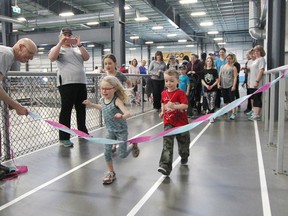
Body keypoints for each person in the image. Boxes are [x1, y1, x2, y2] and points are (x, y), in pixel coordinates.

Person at [83, 76, 140, 184]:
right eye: (102, 88)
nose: (104, 91)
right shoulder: (103, 100)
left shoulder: (117, 101)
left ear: (114, 89)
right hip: (110, 130)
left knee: (122, 155)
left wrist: (122, 116)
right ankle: (111, 172)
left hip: (121, 130)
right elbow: (102, 107)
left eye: (107, 88)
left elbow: (128, 113)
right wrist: (91, 104)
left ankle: (133, 145)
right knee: (107, 152)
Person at [0, 38, 37, 179]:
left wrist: (10, 103)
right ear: (20, 47)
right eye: (30, 53)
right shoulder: (6, 54)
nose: (31, 58)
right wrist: (16, 106)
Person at [48, 27, 90, 147]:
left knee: (81, 109)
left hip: (81, 82)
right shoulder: (58, 49)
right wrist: (61, 42)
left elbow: (86, 58)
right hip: (66, 83)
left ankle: (82, 132)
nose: (67, 37)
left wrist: (79, 45)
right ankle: (64, 137)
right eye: (64, 35)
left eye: (69, 35)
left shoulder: (77, 49)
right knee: (66, 110)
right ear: (60, 37)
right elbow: (51, 58)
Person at [158, 69, 190, 176]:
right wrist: (162, 111)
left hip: (181, 123)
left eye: (171, 81)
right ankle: (165, 166)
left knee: (183, 144)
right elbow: (163, 103)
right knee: (167, 144)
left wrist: (175, 106)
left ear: (178, 81)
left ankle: (184, 155)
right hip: (168, 122)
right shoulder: (163, 93)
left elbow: (185, 105)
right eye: (166, 81)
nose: (168, 83)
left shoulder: (180, 93)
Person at [101, 54, 132, 153]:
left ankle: (121, 138)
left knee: (118, 122)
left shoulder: (119, 75)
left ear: (115, 64)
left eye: (110, 63)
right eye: (105, 64)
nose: (108, 66)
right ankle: (113, 143)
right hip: (108, 101)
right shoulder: (104, 76)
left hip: (118, 101)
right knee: (110, 122)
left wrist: (128, 92)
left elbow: (128, 82)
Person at [246, 45, 266, 121]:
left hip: (257, 83)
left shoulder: (261, 59)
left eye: (257, 51)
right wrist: (249, 82)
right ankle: (254, 113)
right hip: (251, 82)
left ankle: (257, 115)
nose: (256, 52)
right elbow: (251, 71)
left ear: (261, 51)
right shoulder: (255, 61)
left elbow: (261, 70)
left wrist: (257, 81)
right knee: (254, 98)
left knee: (257, 98)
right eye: (255, 51)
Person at [218, 54, 238, 120]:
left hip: (230, 85)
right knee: (225, 100)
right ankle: (226, 111)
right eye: (227, 58)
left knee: (232, 100)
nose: (228, 60)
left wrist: (234, 86)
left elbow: (235, 77)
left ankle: (233, 113)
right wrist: (218, 84)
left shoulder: (233, 68)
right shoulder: (222, 66)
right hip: (223, 85)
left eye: (230, 59)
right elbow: (220, 76)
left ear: (232, 59)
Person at [201, 57, 219, 123]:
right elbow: (202, 80)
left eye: (210, 61)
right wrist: (206, 85)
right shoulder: (203, 71)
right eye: (208, 61)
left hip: (213, 89)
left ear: (212, 62)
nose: (209, 62)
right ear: (206, 62)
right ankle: (209, 113)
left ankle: (211, 116)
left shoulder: (214, 71)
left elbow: (217, 80)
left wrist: (212, 86)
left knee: (212, 102)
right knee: (208, 102)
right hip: (206, 89)